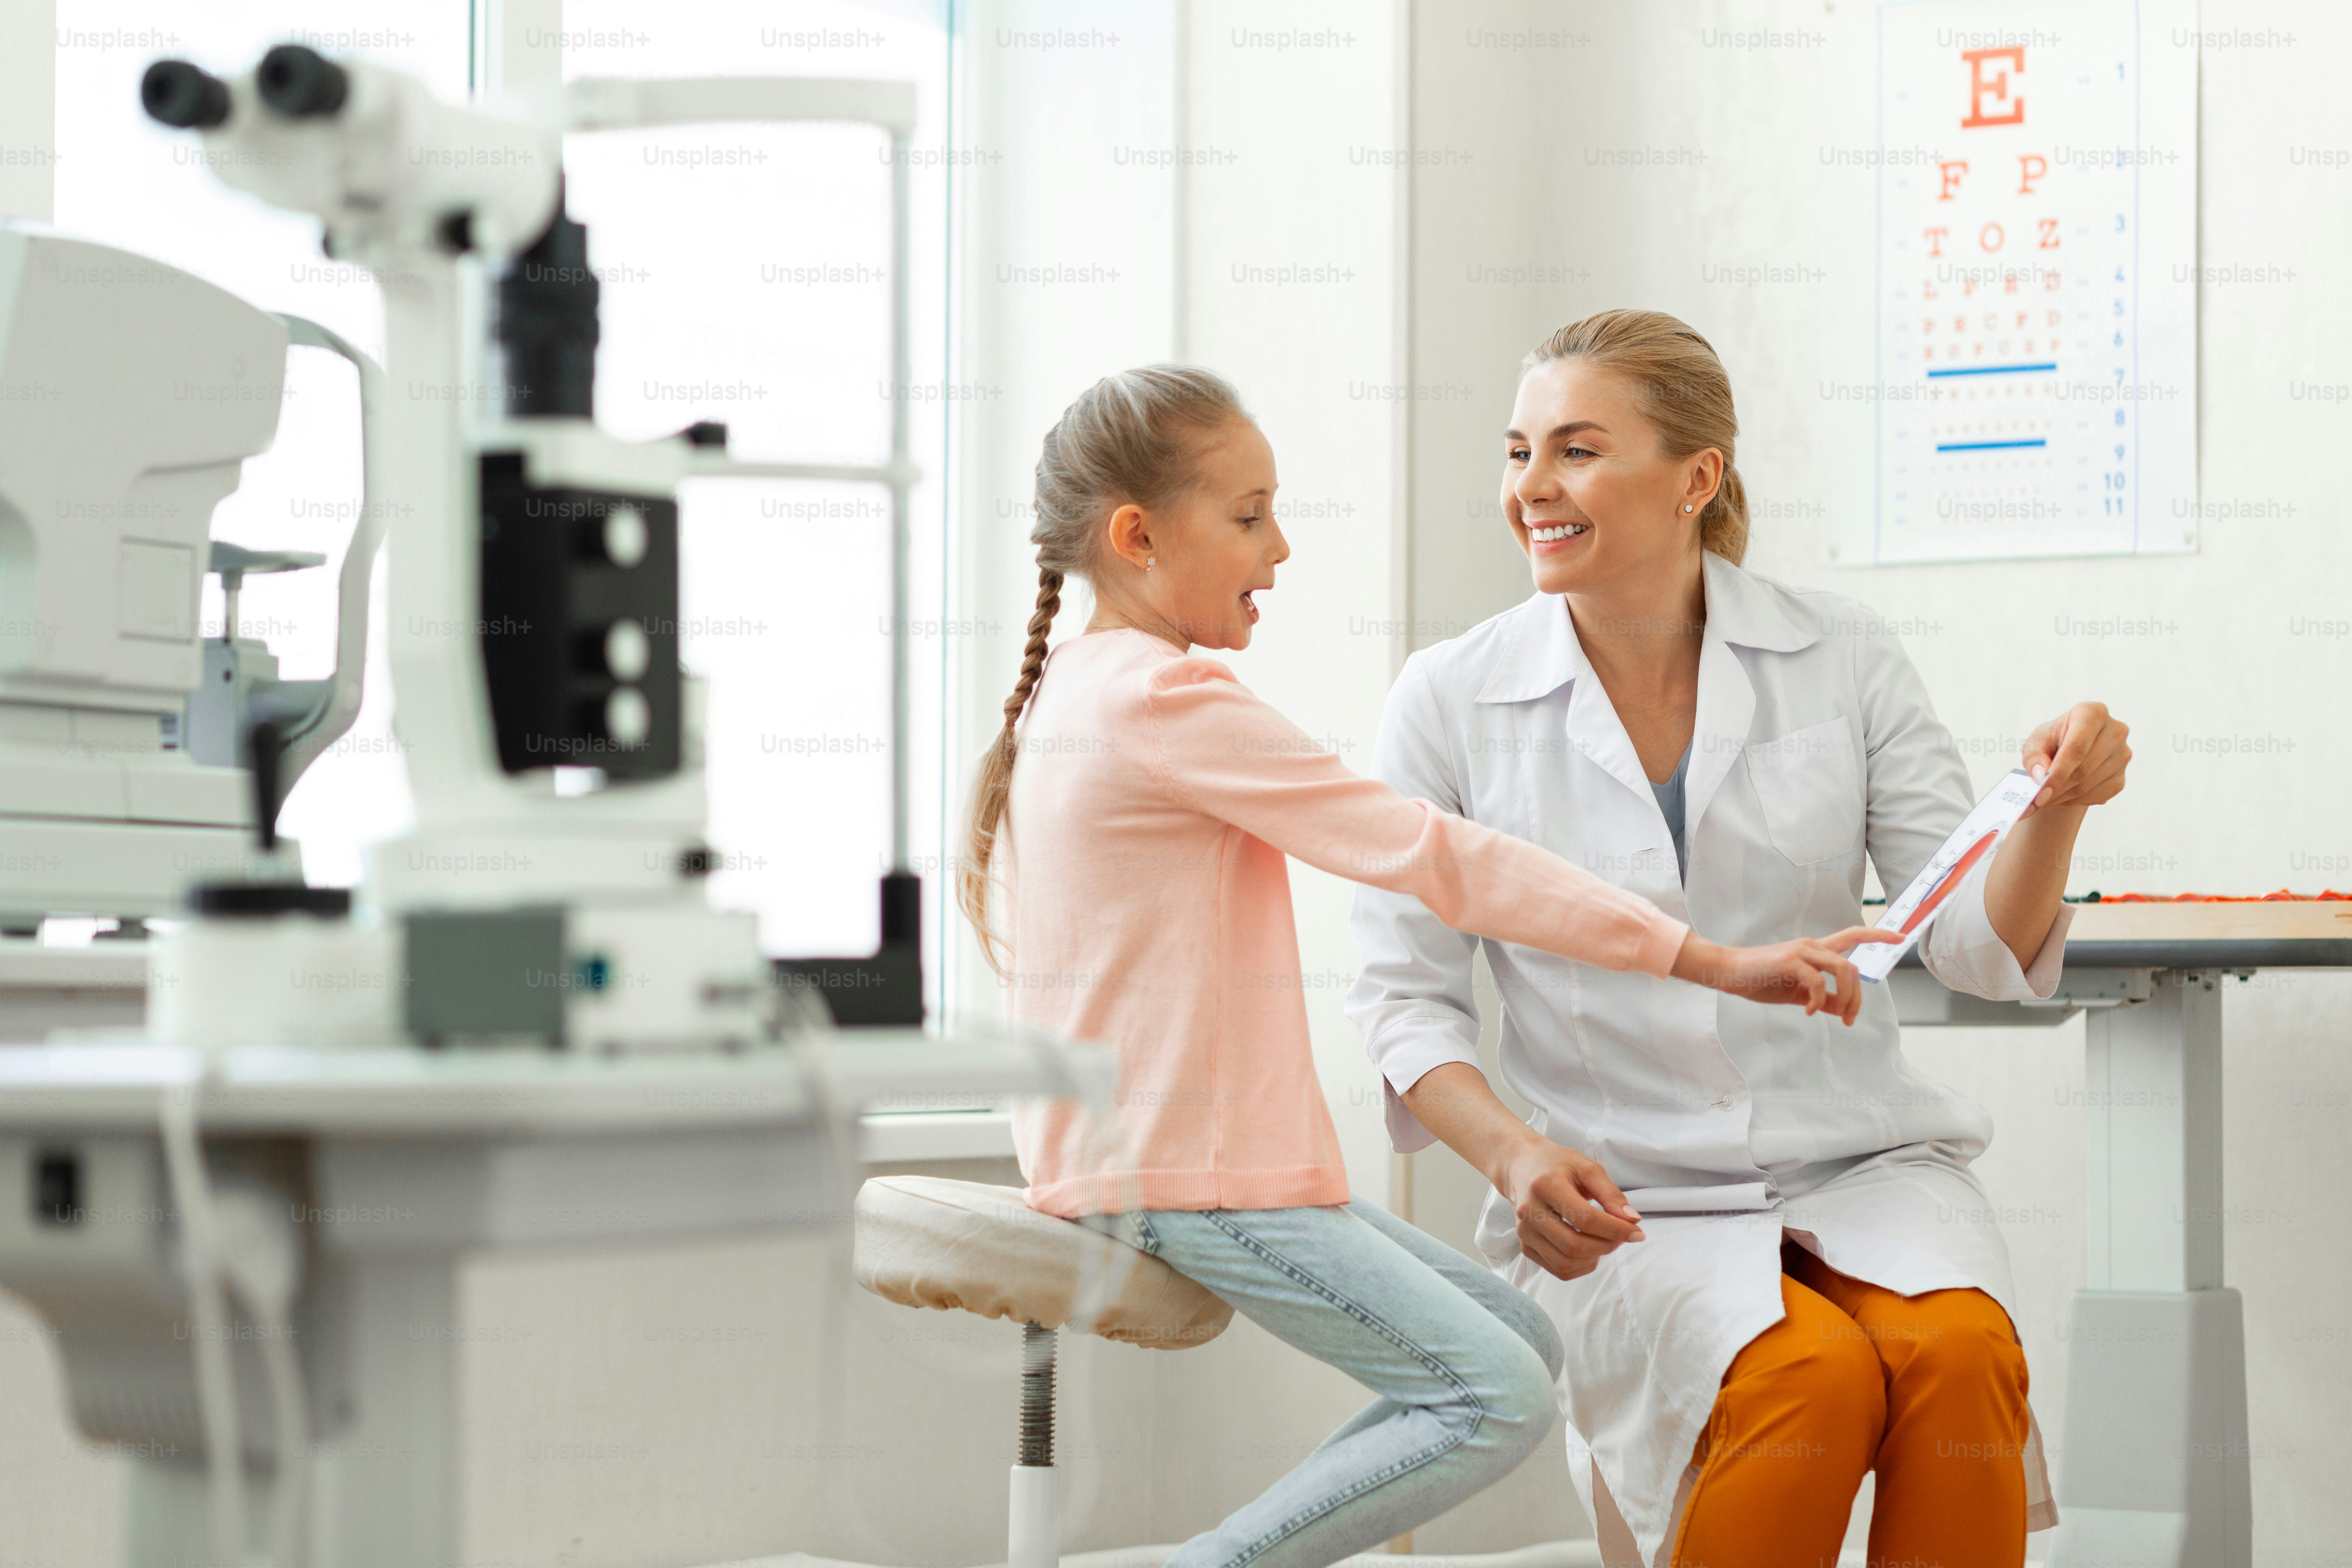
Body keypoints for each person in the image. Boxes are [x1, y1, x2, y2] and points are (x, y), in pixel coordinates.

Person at [962, 365, 1888, 1568]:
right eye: (1248, 517)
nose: (1281, 547)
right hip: (1180, 1166)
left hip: (1173, 1153)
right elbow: (1429, 853)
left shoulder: (1085, 691)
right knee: (1495, 1398)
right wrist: (1706, 958)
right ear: (1135, 537)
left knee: (1525, 1350)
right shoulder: (1165, 696)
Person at [1348, 309, 2132, 1568]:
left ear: (1696, 479)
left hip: (1860, 1161)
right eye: (1517, 453)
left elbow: (1972, 950)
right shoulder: (1450, 697)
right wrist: (1512, 1160)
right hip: (1622, 1192)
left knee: (1960, 1351)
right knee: (1804, 1382)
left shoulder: (1844, 656)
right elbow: (1404, 1001)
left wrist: (2058, 813)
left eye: (1577, 451)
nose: (1531, 489)